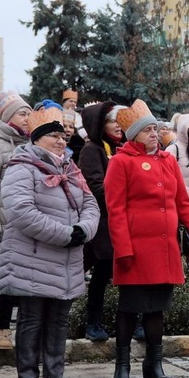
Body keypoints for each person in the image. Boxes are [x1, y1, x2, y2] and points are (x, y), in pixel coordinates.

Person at [0, 107, 100, 378]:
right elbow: (21, 212)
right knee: (31, 319)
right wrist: (66, 234)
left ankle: (55, 376)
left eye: (63, 136)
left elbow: (91, 205)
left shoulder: (71, 168)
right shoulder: (22, 166)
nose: (60, 141)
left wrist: (84, 229)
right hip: (33, 258)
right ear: (37, 139)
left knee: (59, 320)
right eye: (53, 136)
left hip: (66, 260)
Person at [105, 99, 189, 378]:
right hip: (135, 249)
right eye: (148, 130)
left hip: (164, 248)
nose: (154, 134)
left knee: (156, 309)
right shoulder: (121, 162)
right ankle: (122, 366)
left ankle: (154, 365)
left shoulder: (168, 160)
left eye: (156, 129)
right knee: (129, 308)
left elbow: (182, 202)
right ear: (133, 134)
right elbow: (116, 209)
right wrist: (123, 248)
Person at [77, 102, 127, 342]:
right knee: (101, 270)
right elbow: (94, 185)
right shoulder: (92, 149)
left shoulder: (122, 148)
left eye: (119, 121)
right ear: (100, 125)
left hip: (121, 220)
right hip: (103, 221)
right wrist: (122, 201)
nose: (118, 126)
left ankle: (127, 320)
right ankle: (92, 321)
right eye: (112, 121)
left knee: (121, 273)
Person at [0, 91, 32, 350]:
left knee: (25, 278)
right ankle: (1, 328)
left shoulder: (27, 144)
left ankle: (24, 329)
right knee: (7, 277)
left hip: (25, 223)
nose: (27, 118)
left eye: (28, 112)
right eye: (22, 113)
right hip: (4, 223)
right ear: (7, 116)